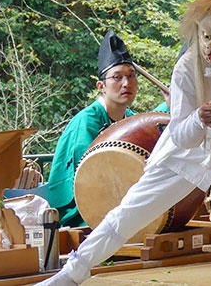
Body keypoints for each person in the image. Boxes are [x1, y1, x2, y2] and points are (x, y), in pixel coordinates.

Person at [38, 0, 211, 286]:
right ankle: (74, 272)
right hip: (197, 147)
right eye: (206, 37)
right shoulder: (187, 66)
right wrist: (199, 118)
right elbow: (181, 135)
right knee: (133, 208)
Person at [47, 31, 164, 227]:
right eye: (117, 78)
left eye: (131, 76)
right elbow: (88, 178)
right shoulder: (85, 122)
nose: (126, 83)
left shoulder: (132, 119)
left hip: (121, 200)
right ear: (101, 86)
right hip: (82, 212)